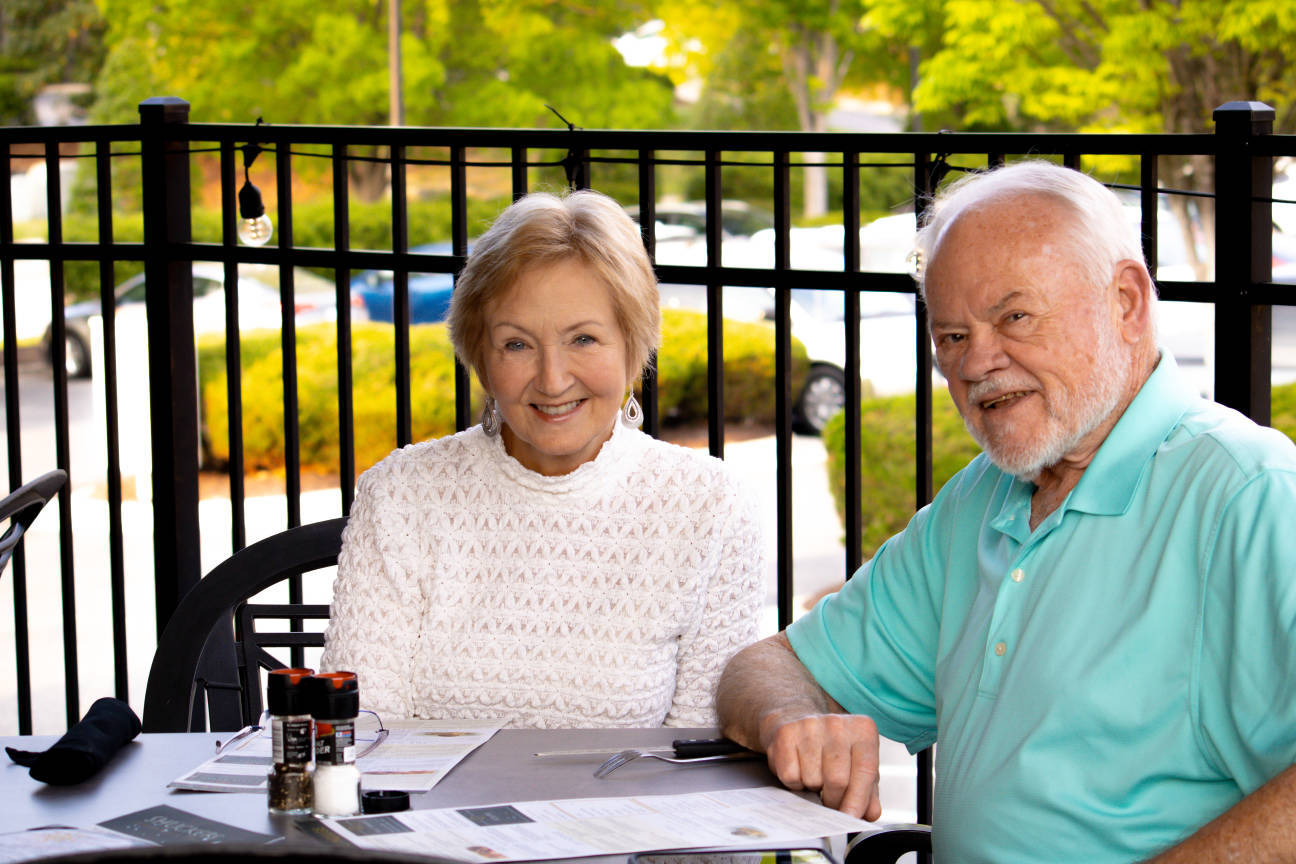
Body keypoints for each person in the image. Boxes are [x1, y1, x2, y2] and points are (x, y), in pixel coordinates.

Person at [716, 161, 1296, 862]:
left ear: (1127, 303)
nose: (975, 363)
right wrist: (791, 722)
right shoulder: (983, 500)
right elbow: (767, 666)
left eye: (1013, 316)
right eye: (951, 336)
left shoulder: (1249, 495)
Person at [321, 189, 765, 729]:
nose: (553, 380)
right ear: (479, 358)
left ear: (634, 346)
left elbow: (695, 757)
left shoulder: (709, 506)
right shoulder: (400, 495)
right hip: (432, 813)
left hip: (628, 814)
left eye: (583, 338)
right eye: (516, 345)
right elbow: (363, 731)